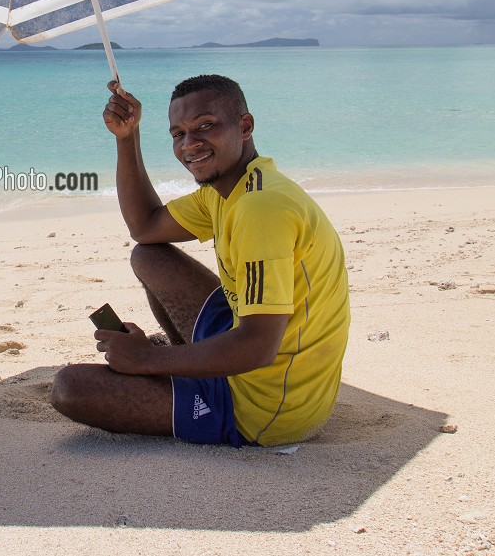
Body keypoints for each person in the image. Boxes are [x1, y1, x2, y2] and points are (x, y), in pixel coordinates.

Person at [49, 74, 350, 447]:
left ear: (244, 125)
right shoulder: (234, 187)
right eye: (178, 134)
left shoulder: (261, 209)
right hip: (249, 342)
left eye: (206, 126)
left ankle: (189, 378)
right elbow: (145, 227)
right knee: (150, 257)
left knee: (69, 388)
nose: (190, 144)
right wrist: (127, 138)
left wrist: (146, 361)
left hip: (267, 406)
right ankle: (187, 365)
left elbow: (258, 347)